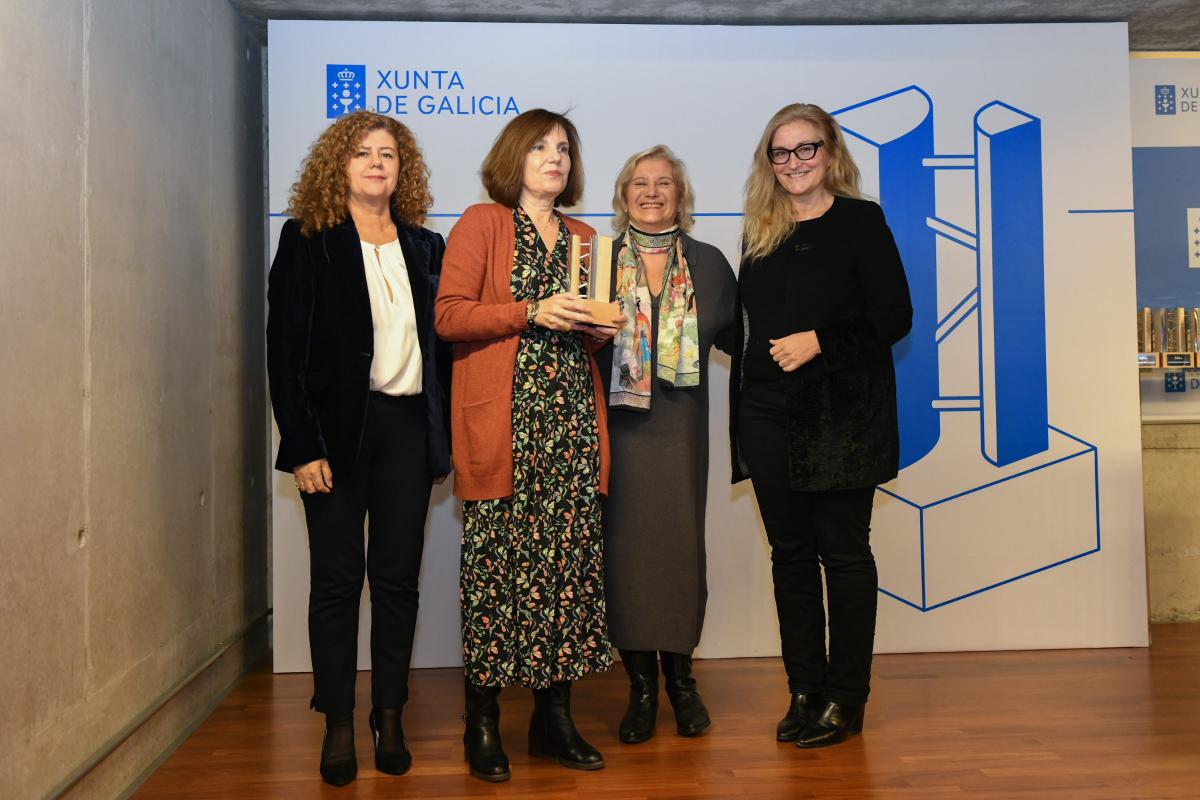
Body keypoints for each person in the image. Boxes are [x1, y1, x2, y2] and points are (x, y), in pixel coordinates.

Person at [434, 109, 624, 782]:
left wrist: (602, 327)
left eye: (565, 149)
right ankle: (482, 723)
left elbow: (587, 337)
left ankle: (554, 720)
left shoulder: (584, 238)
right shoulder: (482, 222)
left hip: (570, 429)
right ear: (514, 157)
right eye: (541, 146)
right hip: (504, 431)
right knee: (495, 575)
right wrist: (529, 311)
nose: (555, 157)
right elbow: (449, 316)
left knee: (567, 573)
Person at [266, 110, 451, 785]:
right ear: (337, 166)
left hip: (407, 432)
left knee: (398, 582)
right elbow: (284, 353)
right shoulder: (307, 239)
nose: (377, 163)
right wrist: (303, 445)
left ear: (404, 171)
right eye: (363, 153)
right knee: (337, 584)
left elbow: (443, 354)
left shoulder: (427, 246)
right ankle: (339, 722)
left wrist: (444, 437)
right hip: (335, 438)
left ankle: (389, 715)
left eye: (389, 154)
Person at [731, 103, 912, 748]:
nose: (794, 162)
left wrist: (820, 342)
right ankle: (804, 690)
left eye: (805, 148)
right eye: (780, 152)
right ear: (768, 162)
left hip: (841, 416)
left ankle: (846, 699)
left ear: (830, 152)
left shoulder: (862, 221)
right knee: (790, 556)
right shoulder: (760, 231)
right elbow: (745, 326)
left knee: (844, 555)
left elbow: (894, 316)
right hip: (766, 413)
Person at [596, 146, 737, 744]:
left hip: (680, 431)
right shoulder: (596, 263)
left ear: (681, 196)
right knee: (624, 551)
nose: (651, 193)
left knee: (679, 549)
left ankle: (681, 682)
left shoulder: (709, 264)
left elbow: (746, 344)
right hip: (616, 431)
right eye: (639, 183)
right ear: (623, 196)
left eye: (663, 183)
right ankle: (641, 689)